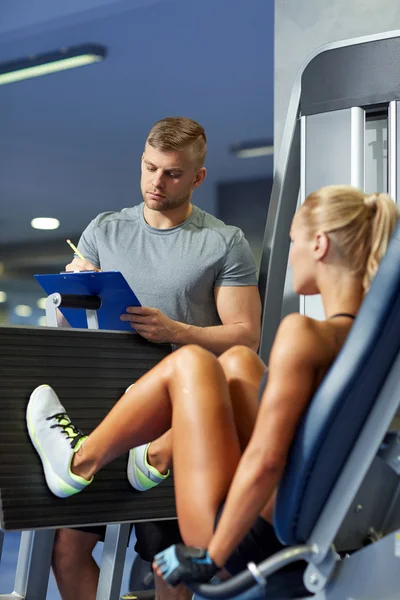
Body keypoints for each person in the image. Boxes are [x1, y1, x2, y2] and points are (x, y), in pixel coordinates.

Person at [27, 185, 398, 590]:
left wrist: (210, 556)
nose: (292, 255)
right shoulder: (368, 344)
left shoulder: (304, 334)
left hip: (245, 538)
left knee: (189, 362)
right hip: (304, 519)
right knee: (236, 361)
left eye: (294, 241)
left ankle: (79, 462)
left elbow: (266, 459)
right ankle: (149, 455)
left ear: (320, 244)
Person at [51, 116, 261, 600]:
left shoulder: (223, 242)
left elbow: (246, 338)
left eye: (171, 173)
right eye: (149, 169)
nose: (156, 182)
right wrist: (72, 290)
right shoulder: (104, 230)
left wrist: (175, 330)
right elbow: (66, 328)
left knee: (167, 565)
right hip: (108, 409)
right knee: (68, 549)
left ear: (197, 178)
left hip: (175, 422)